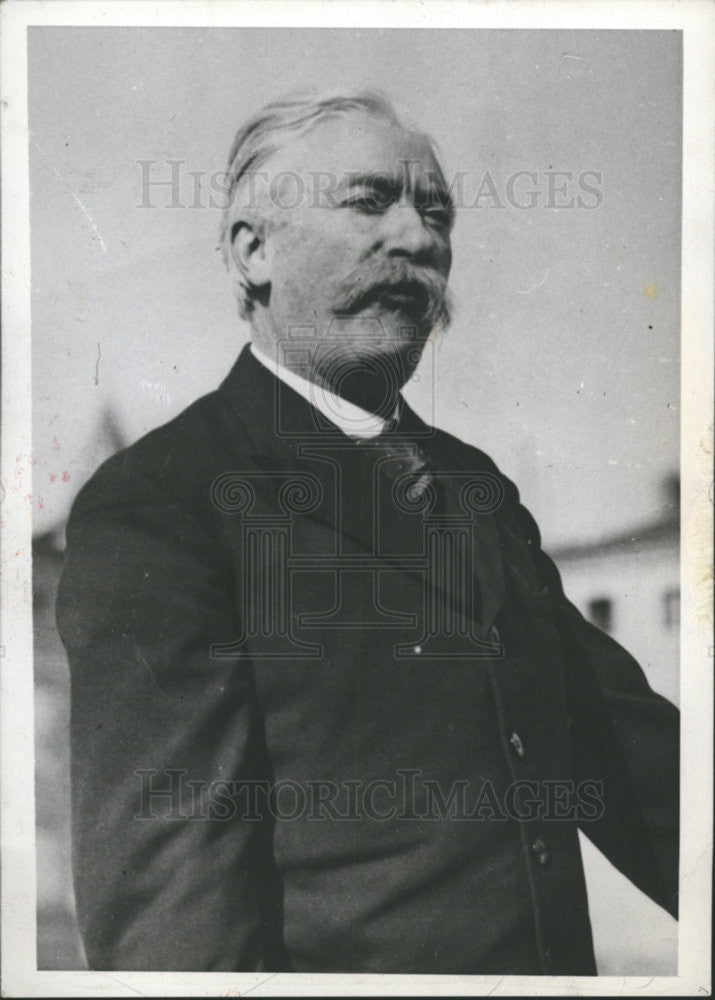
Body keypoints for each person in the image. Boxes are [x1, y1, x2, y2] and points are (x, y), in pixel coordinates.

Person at [56, 92, 678, 975]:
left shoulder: (472, 487)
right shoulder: (164, 501)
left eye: (434, 213)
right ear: (252, 249)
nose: (418, 239)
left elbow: (634, 764)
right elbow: (175, 914)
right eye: (368, 200)